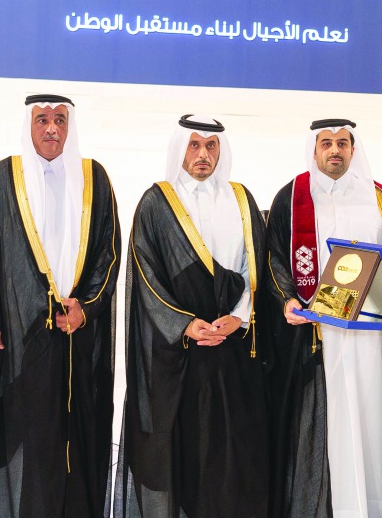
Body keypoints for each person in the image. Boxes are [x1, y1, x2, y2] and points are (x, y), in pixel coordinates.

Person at [0, 94, 120, 518]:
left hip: (77, 337)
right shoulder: (1, 178)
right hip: (18, 338)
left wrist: (87, 307)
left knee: (76, 441)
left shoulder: (94, 178)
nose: (51, 128)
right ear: (28, 125)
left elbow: (109, 254)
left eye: (60, 119)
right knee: (27, 440)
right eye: (42, 119)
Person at [264, 118, 382, 518]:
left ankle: (370, 508)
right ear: (314, 149)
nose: (334, 150)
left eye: (342, 143)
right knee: (322, 424)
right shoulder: (292, 197)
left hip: (369, 333)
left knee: (370, 423)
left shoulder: (379, 198)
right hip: (315, 335)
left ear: (354, 150)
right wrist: (286, 300)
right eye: (326, 143)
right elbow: (275, 258)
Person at [115, 115, 268, 518]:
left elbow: (256, 266)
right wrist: (184, 324)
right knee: (183, 451)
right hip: (178, 354)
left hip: (232, 347)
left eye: (211, 145)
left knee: (232, 451)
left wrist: (238, 317)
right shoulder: (157, 202)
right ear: (180, 149)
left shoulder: (240, 198)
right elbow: (146, 276)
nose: (203, 154)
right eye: (194, 145)